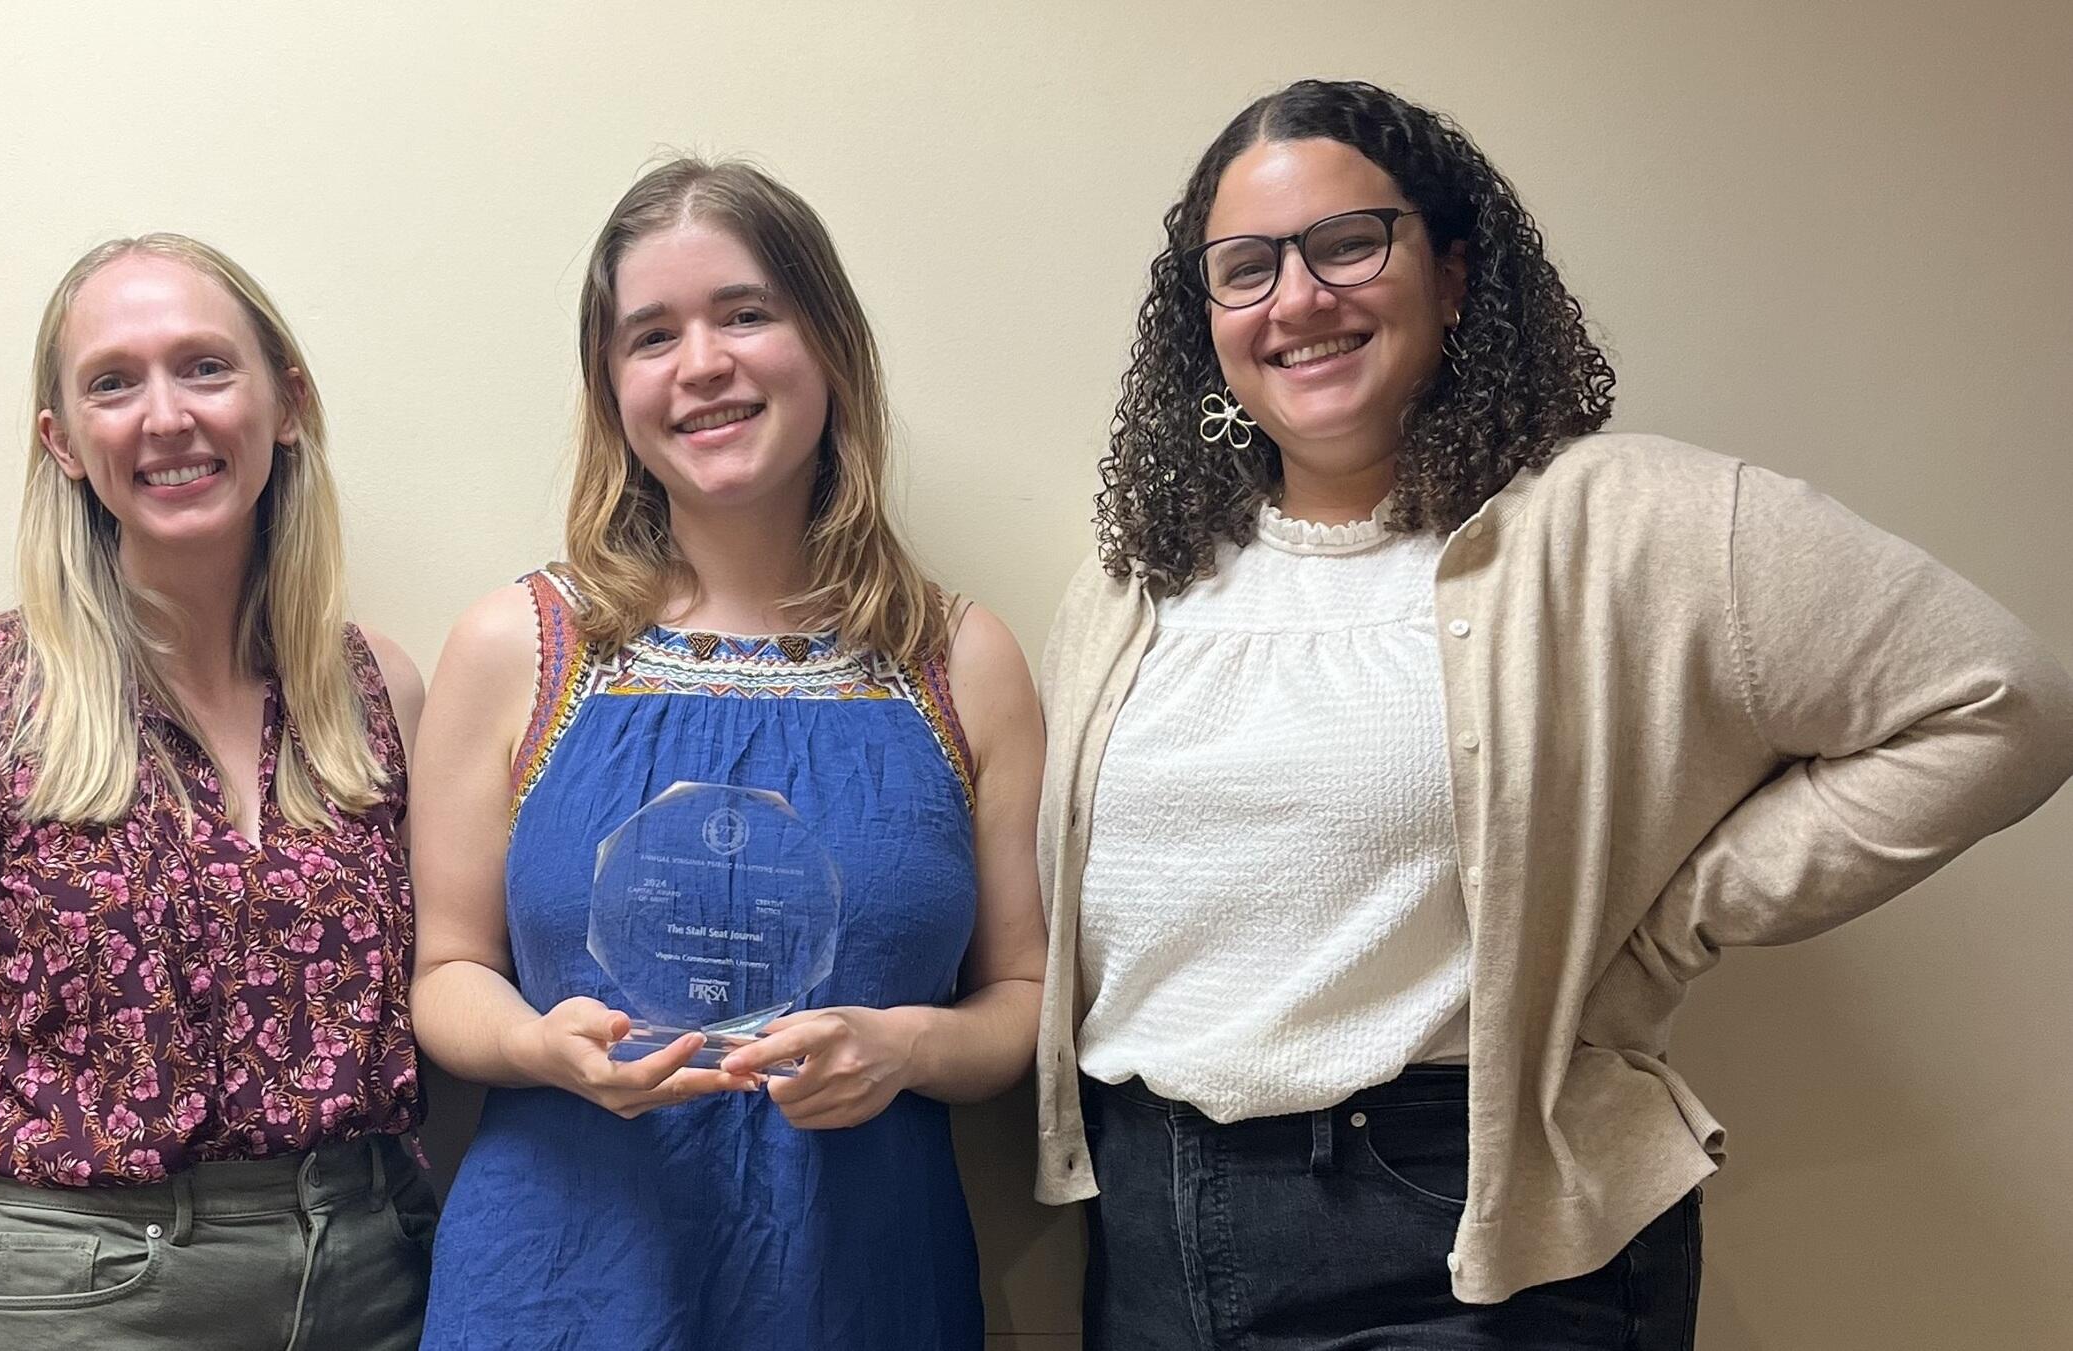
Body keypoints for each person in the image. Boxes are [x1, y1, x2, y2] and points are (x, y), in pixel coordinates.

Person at [1035, 78, 2073, 1349]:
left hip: (1461, 1230)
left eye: (1349, 243)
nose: (1297, 299)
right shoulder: (1139, 569)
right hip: (1145, 1231)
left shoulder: (1626, 525)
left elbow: (2001, 700)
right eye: (1243, 268)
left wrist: (1670, 924)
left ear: (1455, 273)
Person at [409, 158, 1047, 1351]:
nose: (702, 362)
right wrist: (536, 1047)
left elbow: (1021, 1001)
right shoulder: (519, 648)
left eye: (745, 313)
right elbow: (445, 971)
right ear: (612, 390)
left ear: (830, 348)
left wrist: (906, 1045)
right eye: (652, 334)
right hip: (556, 1289)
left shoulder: (960, 661)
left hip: (859, 1294)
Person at [0, 233, 434, 1351]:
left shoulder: (380, 693)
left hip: (373, 1273)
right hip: (87, 1291)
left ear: (287, 403)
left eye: (205, 367)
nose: (165, 415)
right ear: (65, 443)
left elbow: (439, 1037)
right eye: (113, 383)